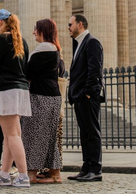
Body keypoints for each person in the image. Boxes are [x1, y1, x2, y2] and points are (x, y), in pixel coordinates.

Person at [0, 9, 32, 188]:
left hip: (4, 89)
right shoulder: (22, 41)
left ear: (0, 23)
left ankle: (23, 175)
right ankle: (4, 173)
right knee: (11, 134)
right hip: (19, 89)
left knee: (11, 135)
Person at [22, 19, 65, 183]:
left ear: (43, 31)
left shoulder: (43, 50)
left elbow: (27, 72)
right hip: (51, 97)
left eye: (36, 29)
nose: (33, 32)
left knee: (32, 134)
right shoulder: (54, 49)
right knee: (48, 137)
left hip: (41, 97)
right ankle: (55, 174)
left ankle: (31, 174)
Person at [67, 14, 104, 182]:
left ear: (80, 25)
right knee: (84, 133)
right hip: (80, 96)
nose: (68, 27)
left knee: (92, 132)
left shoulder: (92, 42)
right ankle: (86, 167)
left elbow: (95, 69)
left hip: (87, 96)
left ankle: (95, 169)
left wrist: (88, 92)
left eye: (70, 24)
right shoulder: (79, 44)